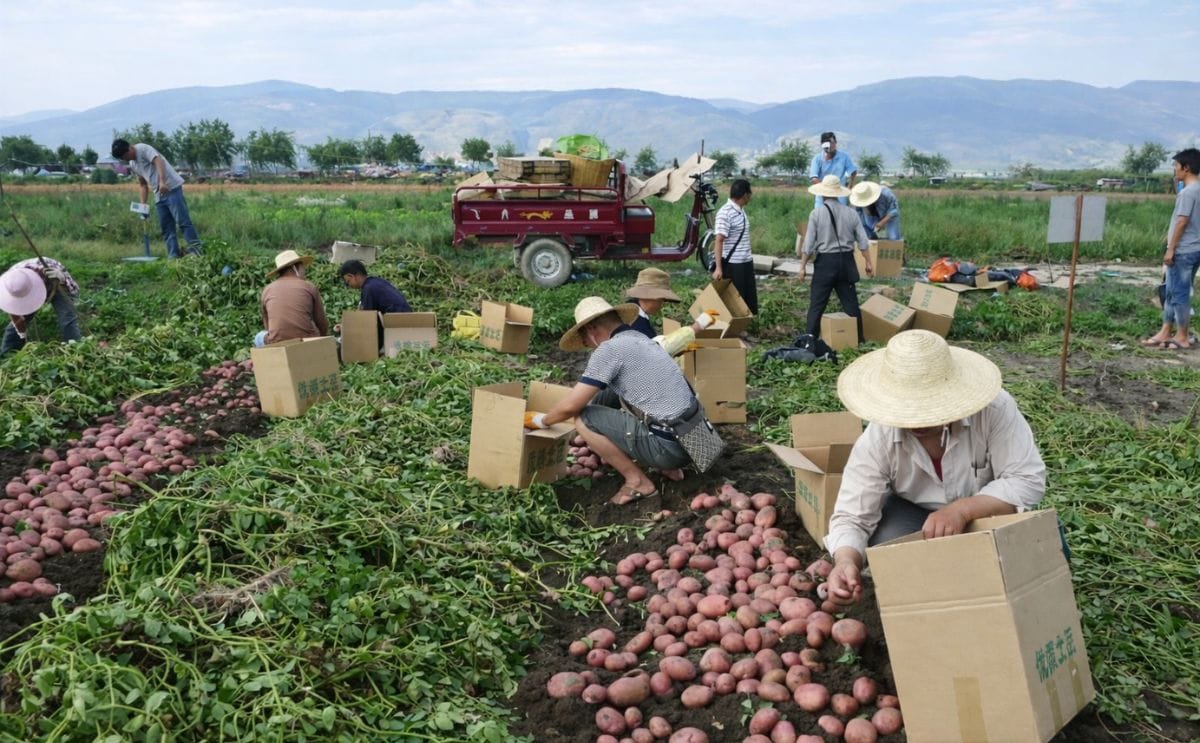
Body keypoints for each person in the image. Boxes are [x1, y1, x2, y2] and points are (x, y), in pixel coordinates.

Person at [823, 329, 1047, 607]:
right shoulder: (878, 440)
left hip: (986, 514)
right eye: (908, 411)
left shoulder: (994, 411)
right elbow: (852, 516)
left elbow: (1027, 480)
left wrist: (962, 510)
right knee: (888, 551)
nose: (918, 423)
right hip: (917, 518)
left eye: (927, 409)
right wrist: (846, 560)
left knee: (1040, 554)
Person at [523, 297, 706, 504]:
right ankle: (670, 469)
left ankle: (637, 481)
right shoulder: (639, 337)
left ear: (591, 329)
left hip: (673, 450)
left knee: (584, 417)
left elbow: (571, 406)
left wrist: (541, 421)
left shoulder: (610, 350)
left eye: (585, 342)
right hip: (700, 441)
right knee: (609, 391)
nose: (589, 347)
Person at [798, 175, 873, 341]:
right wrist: (868, 262)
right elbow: (862, 241)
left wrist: (802, 267)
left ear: (823, 193)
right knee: (851, 304)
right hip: (846, 262)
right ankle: (858, 339)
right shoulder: (851, 214)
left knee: (817, 304)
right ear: (839, 193)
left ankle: (810, 339)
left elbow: (809, 243)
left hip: (825, 263)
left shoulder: (816, 214)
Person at [1141, 147, 1200, 351]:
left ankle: (1182, 336)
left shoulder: (1188, 193)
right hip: (1195, 248)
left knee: (1179, 293)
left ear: (1186, 167)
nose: (1174, 169)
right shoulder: (1196, 189)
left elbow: (1182, 221)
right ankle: (1165, 331)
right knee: (1170, 290)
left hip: (1183, 250)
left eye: (1176, 165)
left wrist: (1171, 249)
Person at [111, 139, 202, 259]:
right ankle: (173, 255)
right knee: (166, 226)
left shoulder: (143, 149)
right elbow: (142, 184)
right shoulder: (133, 164)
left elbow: (158, 161)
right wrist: (143, 206)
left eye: (125, 156)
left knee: (183, 221)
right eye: (123, 159)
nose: (126, 160)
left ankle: (196, 252)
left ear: (129, 148)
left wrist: (162, 182)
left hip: (171, 187)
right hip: (158, 193)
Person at [0, 257, 81, 357]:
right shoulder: (10, 284)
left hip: (56, 283)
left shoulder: (45, 271)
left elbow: (71, 288)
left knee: (67, 319)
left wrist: (62, 278)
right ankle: (7, 355)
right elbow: (16, 318)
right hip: (24, 288)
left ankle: (75, 352)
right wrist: (22, 334)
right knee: (16, 324)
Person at [256, 250, 329, 347]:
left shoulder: (267, 289)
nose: (304, 271)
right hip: (307, 340)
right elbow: (321, 323)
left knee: (259, 337)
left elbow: (268, 327)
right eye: (303, 267)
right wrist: (322, 339)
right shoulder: (308, 286)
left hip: (277, 343)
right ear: (295, 267)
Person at [624, 267, 716, 340]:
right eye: (661, 300)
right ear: (651, 296)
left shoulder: (631, 311)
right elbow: (655, 350)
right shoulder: (636, 322)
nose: (661, 305)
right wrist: (697, 327)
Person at [711, 179, 758, 317]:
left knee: (747, 297)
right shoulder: (725, 213)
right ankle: (736, 331)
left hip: (745, 261)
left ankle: (743, 327)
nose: (751, 197)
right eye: (750, 194)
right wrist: (719, 268)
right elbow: (718, 240)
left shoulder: (740, 211)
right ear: (745, 195)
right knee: (736, 299)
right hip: (734, 265)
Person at [339, 260, 411, 313]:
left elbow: (366, 316)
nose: (349, 286)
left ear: (351, 276)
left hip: (397, 321)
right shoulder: (375, 281)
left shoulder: (368, 288)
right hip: (406, 316)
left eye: (348, 282)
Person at [809, 132, 858, 207]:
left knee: (840, 217)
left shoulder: (844, 157)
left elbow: (853, 171)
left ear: (835, 143)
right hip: (822, 197)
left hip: (840, 196)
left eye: (831, 143)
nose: (830, 145)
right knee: (821, 216)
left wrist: (850, 186)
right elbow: (814, 178)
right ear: (822, 145)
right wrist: (828, 188)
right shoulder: (817, 159)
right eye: (827, 143)